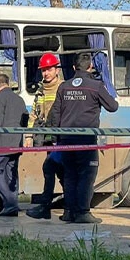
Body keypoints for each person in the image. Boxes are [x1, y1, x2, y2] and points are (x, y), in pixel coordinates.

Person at [46, 54, 119, 224]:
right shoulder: (96, 86)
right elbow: (113, 106)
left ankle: (69, 212)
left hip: (66, 139)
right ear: (91, 67)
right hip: (86, 139)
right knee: (87, 175)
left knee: (70, 175)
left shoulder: (64, 87)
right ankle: (83, 212)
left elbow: (55, 114)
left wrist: (57, 138)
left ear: (73, 68)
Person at [25, 52, 66, 219]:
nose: (46, 73)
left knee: (55, 170)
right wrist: (28, 135)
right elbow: (34, 114)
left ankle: (52, 208)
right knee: (53, 171)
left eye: (49, 69)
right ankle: (66, 207)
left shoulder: (64, 88)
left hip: (61, 138)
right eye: (43, 70)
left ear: (57, 70)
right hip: (49, 139)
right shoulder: (41, 90)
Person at [0, 73, 26, 217]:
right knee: (11, 174)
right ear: (7, 83)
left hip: (3, 143)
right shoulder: (19, 98)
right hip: (17, 142)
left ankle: (11, 203)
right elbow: (25, 118)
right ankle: (11, 206)